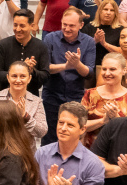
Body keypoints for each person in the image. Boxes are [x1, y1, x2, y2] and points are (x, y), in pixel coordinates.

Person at [41, 8, 95, 145]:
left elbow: (89, 73)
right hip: (52, 95)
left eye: (71, 25)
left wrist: (77, 64)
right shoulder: (50, 38)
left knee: (72, 137)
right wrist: (65, 66)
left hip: (75, 96)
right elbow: (45, 68)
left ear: (81, 25)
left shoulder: (88, 41)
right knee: (49, 137)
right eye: (64, 24)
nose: (67, 28)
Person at [0, 60, 47, 141]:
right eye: (14, 76)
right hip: (0, 149)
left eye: (22, 76)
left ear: (29, 78)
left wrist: (25, 117)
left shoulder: (36, 101)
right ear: (8, 78)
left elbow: (42, 131)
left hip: (27, 151)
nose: (18, 80)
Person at [81, 0, 123, 70]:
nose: (108, 13)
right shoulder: (89, 27)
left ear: (115, 13)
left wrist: (104, 44)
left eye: (112, 10)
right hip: (90, 67)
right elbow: (81, 48)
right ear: (100, 11)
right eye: (105, 9)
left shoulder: (121, 30)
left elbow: (123, 52)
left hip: (113, 67)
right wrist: (94, 41)